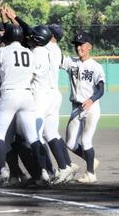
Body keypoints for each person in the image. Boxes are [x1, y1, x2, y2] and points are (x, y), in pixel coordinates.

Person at [0, 24, 50, 186]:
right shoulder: (29, 52)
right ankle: (43, 171)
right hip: (27, 95)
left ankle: (1, 171)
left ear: (7, 36)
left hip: (9, 94)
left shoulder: (2, 51)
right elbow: (35, 73)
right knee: (33, 137)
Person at [30, 25, 74, 184]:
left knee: (35, 135)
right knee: (50, 133)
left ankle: (46, 171)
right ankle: (64, 167)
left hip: (41, 95)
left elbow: (32, 74)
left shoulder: (38, 52)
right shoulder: (53, 49)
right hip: (53, 93)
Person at [61, 32, 105, 184]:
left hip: (91, 108)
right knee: (70, 144)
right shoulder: (71, 62)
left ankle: (91, 173)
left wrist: (92, 99)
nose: (78, 47)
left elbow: (101, 89)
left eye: (81, 44)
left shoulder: (96, 67)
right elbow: (55, 56)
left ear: (89, 47)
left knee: (86, 141)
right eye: (76, 44)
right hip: (76, 107)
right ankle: (91, 160)